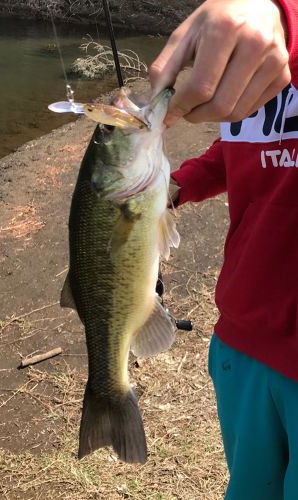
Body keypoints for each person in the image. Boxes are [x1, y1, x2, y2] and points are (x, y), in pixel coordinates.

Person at [150, 1, 298, 499]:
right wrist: (175, 186)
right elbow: (236, 146)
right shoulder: (256, 74)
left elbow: (279, 23)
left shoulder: (274, 33)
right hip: (242, 337)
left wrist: (282, 17)